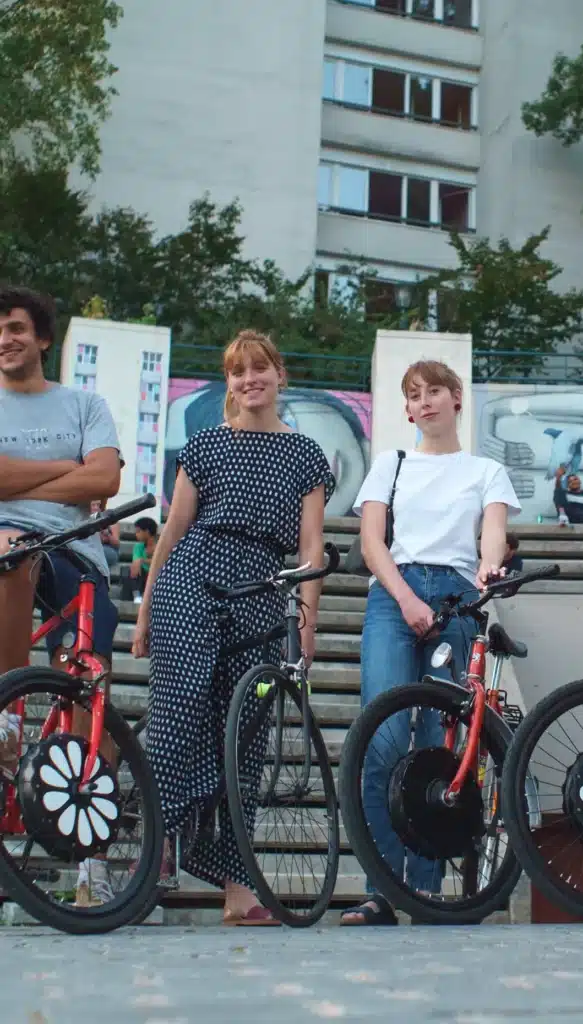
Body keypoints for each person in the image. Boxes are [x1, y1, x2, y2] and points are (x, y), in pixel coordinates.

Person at [132, 330, 334, 926]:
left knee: (245, 736)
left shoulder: (306, 454)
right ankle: (155, 851)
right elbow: (173, 530)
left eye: (259, 368)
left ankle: (237, 886)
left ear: (280, 375)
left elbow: (311, 545)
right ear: (229, 382)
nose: (250, 380)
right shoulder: (205, 445)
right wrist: (145, 608)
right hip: (194, 575)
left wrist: (307, 620)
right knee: (179, 711)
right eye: (238, 372)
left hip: (264, 590)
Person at [341, 359, 520, 926]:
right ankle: (381, 889)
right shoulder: (390, 464)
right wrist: (406, 599)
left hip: (457, 596)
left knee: (440, 747)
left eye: (435, 391)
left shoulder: (486, 471)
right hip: (394, 595)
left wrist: (489, 569)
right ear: (408, 409)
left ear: (456, 398)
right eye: (414, 395)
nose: (425, 402)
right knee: (384, 738)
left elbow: (492, 535)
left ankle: (426, 888)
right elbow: (373, 542)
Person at [0, 285, 122, 907]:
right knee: (11, 549)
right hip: (8, 547)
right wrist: (68, 474)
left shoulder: (84, 403)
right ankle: (7, 714)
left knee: (89, 686)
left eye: (17, 328)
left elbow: (106, 477)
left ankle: (91, 858)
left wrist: (17, 477)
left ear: (42, 338)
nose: (5, 339)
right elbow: (86, 475)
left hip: (77, 553)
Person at [121, 516, 157, 604]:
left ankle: (136, 597)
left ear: (147, 532)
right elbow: (136, 563)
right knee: (127, 571)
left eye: (138, 531)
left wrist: (142, 561)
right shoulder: (138, 546)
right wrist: (140, 562)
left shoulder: (160, 546)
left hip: (155, 577)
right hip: (141, 578)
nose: (136, 534)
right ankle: (136, 596)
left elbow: (160, 562)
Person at [92, 499, 121, 574]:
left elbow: (116, 543)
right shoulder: (84, 519)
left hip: (109, 549)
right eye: (93, 505)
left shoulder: (111, 520)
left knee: (96, 553)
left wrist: (107, 534)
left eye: (98, 505)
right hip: (92, 548)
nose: (96, 508)